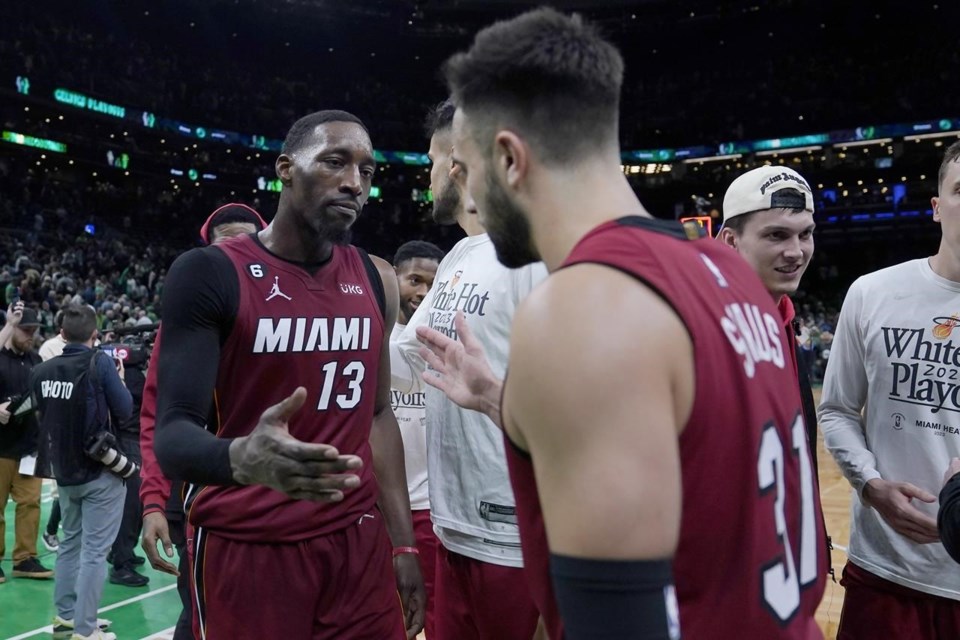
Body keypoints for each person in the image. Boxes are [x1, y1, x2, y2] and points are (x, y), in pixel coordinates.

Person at [416, 9, 826, 638]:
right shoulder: (725, 271)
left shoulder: (585, 304)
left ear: (509, 158)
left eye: (466, 172)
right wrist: (499, 399)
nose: (468, 198)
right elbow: (680, 455)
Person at [153, 110, 425, 640]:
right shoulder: (209, 272)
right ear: (285, 168)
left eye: (367, 171)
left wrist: (404, 542)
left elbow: (378, 413)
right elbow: (172, 434)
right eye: (334, 162)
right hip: (251, 545)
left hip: (356, 544)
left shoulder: (376, 277)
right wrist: (240, 458)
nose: (354, 182)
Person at [390, 100, 548, 640]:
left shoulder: (536, 252)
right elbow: (400, 357)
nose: (432, 172)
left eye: (436, 157)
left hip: (519, 540)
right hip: (453, 527)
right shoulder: (458, 257)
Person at [822, 139, 960, 638]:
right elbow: (836, 409)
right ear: (936, 207)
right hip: (885, 572)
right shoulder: (872, 292)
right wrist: (870, 485)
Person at [139, 203, 267, 639]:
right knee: (200, 613)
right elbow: (159, 413)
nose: (233, 249)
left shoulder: (287, 312)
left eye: (243, 240)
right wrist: (154, 501)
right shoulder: (187, 319)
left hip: (276, 493)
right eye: (223, 241)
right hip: (200, 494)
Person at [30, 303, 133, 640]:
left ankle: (67, 615)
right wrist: (118, 379)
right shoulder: (99, 362)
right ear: (95, 335)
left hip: (63, 470)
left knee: (71, 544)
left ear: (61, 334)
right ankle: (86, 630)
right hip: (100, 470)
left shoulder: (42, 371)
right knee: (94, 552)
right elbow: (125, 409)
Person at [717, 166, 820, 468]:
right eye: (777, 235)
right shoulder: (709, 331)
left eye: (806, 234)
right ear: (731, 241)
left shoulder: (783, 318)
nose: (796, 252)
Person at [390, 239, 445, 639]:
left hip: (432, 507)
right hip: (380, 507)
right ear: (394, 279)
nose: (423, 292)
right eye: (414, 280)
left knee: (436, 616)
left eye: (435, 284)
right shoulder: (373, 337)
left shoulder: (452, 344)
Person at [0, 303, 53, 582]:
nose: (30, 335)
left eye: (34, 331)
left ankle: (25, 559)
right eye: (26, 330)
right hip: (1, 447)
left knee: (30, 504)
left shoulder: (36, 362)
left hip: (29, 447)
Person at [40, 309, 67, 553]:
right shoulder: (49, 347)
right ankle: (50, 530)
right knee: (61, 483)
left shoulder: (94, 344)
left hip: (83, 423)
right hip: (56, 423)